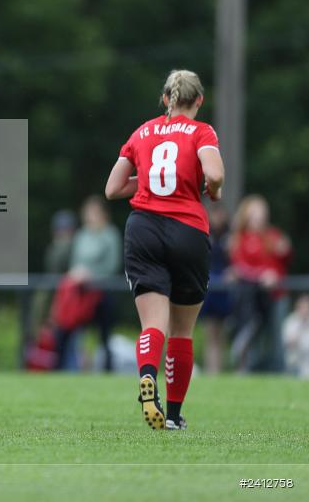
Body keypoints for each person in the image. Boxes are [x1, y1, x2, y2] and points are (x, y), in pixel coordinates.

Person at [105, 69, 224, 431]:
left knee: (152, 324)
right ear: (199, 100)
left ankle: (146, 378)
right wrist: (212, 192)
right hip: (187, 229)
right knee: (182, 332)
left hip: (143, 229)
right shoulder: (202, 131)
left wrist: (150, 183)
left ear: (164, 99)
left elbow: (112, 189)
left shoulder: (142, 132)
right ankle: (172, 415)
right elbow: (215, 175)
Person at [52, 196, 120, 371]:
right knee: (66, 331)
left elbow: (112, 265)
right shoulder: (82, 235)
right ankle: (59, 369)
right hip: (80, 294)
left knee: (104, 336)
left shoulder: (110, 235)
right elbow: (74, 262)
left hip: (102, 293)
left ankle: (107, 370)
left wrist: (91, 275)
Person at [229, 194, 292, 372]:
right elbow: (239, 266)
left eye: (262, 211)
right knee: (252, 334)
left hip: (276, 295)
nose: (260, 215)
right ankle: (250, 368)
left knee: (276, 335)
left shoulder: (273, 235)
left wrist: (286, 250)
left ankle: (281, 369)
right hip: (252, 298)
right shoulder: (239, 238)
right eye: (255, 211)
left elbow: (285, 259)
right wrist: (262, 275)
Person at [199, 205, 232, 373]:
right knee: (210, 332)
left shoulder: (230, 237)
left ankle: (220, 369)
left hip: (224, 289)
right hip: (209, 286)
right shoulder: (204, 234)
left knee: (222, 332)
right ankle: (211, 370)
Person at [282, 294, 309, 379]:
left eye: (308, 308)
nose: (305, 311)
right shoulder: (291, 321)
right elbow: (289, 343)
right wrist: (301, 327)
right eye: (303, 308)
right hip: (296, 363)